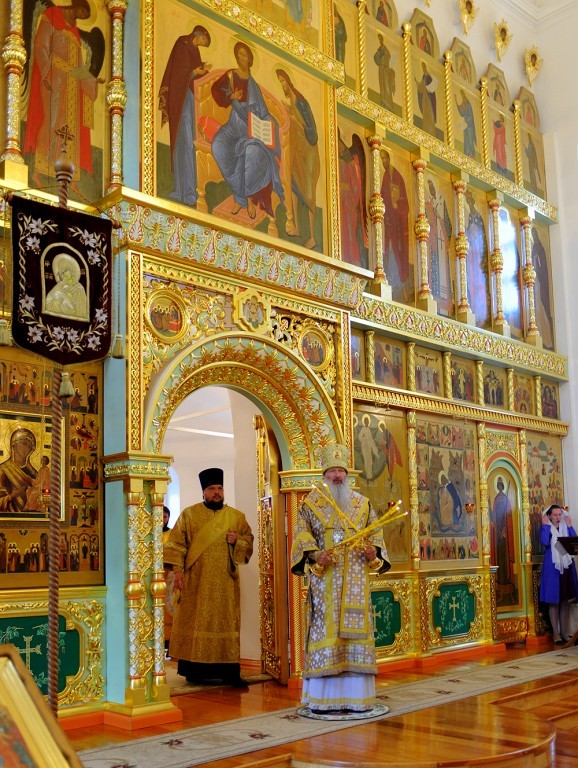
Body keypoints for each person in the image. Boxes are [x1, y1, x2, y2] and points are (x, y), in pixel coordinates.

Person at [291, 443, 390, 715]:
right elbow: (301, 535)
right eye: (332, 471)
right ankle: (323, 699)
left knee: (355, 635)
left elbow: (376, 533)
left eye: (341, 471)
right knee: (327, 633)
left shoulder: (362, 503)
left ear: (347, 475)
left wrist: (373, 551)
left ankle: (358, 699)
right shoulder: (310, 504)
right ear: (324, 475)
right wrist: (316, 555)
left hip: (356, 578)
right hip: (326, 583)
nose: (337, 476)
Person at [164, 468, 254, 687]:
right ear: (204, 492)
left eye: (220, 488)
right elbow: (176, 544)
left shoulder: (236, 517)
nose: (217, 492)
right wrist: (178, 571)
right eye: (212, 489)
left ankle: (229, 673)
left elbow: (249, 540)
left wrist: (238, 541)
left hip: (225, 582)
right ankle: (194, 672)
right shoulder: (189, 515)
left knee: (225, 622)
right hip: (196, 580)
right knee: (196, 620)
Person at [23, 0, 102, 185]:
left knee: (70, 130)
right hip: (54, 79)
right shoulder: (52, 16)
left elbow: (79, 66)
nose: (81, 17)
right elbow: (40, 46)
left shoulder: (74, 32)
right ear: (77, 6)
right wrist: (47, 75)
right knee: (51, 121)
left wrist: (91, 80)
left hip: (72, 87)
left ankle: (67, 177)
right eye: (82, 12)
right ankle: (40, 170)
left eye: (85, 17)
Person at [211, 41, 284, 220]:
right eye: (239, 55)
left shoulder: (253, 86)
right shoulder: (231, 76)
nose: (242, 58)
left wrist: (269, 122)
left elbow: (264, 113)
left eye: (245, 55)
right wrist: (231, 96)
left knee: (250, 153)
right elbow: (215, 90)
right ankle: (240, 197)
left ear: (250, 60)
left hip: (251, 133)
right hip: (232, 128)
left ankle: (249, 199)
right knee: (218, 145)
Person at [158, 25, 212, 208]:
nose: (203, 43)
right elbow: (179, 71)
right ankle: (181, 191)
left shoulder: (195, 51)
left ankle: (189, 192)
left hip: (189, 99)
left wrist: (202, 72)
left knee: (189, 143)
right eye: (204, 40)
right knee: (182, 143)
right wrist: (195, 72)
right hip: (180, 100)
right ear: (198, 35)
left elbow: (192, 75)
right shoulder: (183, 43)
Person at [276, 69, 320, 249]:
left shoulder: (301, 103)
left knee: (308, 194)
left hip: (308, 154)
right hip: (296, 150)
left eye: (283, 81)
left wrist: (294, 119)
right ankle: (296, 227)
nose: (282, 85)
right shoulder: (292, 103)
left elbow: (313, 134)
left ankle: (313, 237)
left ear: (288, 81)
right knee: (293, 184)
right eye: (280, 82)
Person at [539, 504, 578, 644]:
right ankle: (556, 634)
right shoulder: (547, 527)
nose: (557, 517)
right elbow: (544, 542)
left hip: (566, 566)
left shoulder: (564, 527)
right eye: (554, 515)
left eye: (559, 514)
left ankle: (564, 633)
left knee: (565, 600)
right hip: (553, 568)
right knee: (554, 601)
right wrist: (545, 526)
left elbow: (574, 543)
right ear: (549, 516)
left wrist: (569, 525)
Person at [380, 149, 409, 300]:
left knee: (396, 252)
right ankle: (392, 283)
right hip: (388, 223)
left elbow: (405, 205)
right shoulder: (385, 176)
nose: (383, 161)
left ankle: (398, 284)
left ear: (389, 158)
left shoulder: (398, 177)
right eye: (381, 159)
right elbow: (382, 196)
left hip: (397, 226)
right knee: (389, 251)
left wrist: (397, 206)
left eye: (385, 158)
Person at [0, 428, 38, 516]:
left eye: (30, 446)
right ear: (14, 445)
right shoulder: (3, 470)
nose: (27, 448)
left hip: (33, 518)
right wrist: (12, 495)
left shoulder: (34, 473)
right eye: (24, 443)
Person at [490, 477, 516, 603]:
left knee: (506, 563)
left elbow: (509, 515)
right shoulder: (496, 499)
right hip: (498, 536)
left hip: (505, 535)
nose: (500, 486)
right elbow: (494, 515)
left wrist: (506, 527)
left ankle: (510, 592)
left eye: (501, 485)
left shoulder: (506, 499)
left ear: (503, 486)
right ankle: (500, 592)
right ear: (497, 486)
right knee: (499, 563)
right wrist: (496, 526)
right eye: (498, 485)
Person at [44, 254, 89, 320]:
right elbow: (47, 303)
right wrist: (57, 303)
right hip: (57, 319)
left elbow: (83, 310)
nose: (64, 274)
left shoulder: (79, 288)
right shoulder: (59, 285)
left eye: (66, 270)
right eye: (61, 272)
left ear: (72, 271)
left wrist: (72, 298)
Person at [162, 505, 174, 655]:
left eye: (164, 517)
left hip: (169, 574)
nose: (162, 520)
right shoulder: (148, 533)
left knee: (169, 606)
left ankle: (170, 642)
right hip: (154, 575)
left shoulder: (172, 534)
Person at [373, 35, 395, 112]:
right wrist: (379, 61)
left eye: (380, 39)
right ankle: (383, 102)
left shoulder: (385, 50)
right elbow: (376, 57)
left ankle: (389, 103)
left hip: (386, 69)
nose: (380, 41)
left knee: (387, 86)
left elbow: (389, 59)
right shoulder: (379, 49)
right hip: (381, 69)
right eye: (379, 39)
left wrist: (387, 66)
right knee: (382, 85)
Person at [416, 62, 437, 136]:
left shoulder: (428, 77)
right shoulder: (423, 77)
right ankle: (426, 129)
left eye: (424, 67)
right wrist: (417, 83)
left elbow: (430, 88)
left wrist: (428, 90)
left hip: (429, 99)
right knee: (425, 113)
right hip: (425, 98)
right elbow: (421, 86)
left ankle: (431, 130)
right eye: (422, 67)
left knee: (430, 113)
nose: (423, 68)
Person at [455, 89, 476, 158]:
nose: (462, 96)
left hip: (470, 125)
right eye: (461, 95)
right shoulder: (463, 103)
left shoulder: (468, 104)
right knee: (466, 138)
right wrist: (456, 102)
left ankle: (472, 154)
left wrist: (468, 120)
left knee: (470, 138)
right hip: (466, 124)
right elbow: (462, 113)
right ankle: (466, 153)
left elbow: (470, 115)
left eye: (462, 94)